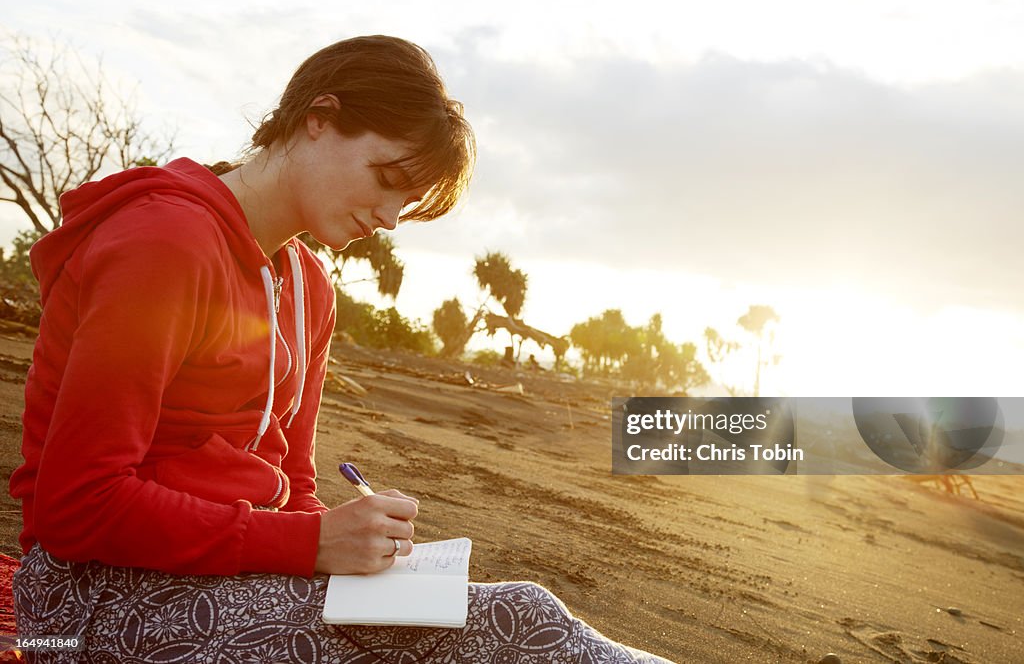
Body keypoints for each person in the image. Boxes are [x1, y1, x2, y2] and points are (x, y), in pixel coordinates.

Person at [9, 35, 672, 663]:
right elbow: (78, 503)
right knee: (511, 630)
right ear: (320, 118)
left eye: (406, 204)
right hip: (91, 600)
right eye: (387, 178)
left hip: (232, 577)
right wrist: (312, 542)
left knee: (523, 611)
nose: (388, 219)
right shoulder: (165, 241)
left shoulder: (310, 287)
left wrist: (354, 549)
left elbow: (293, 480)